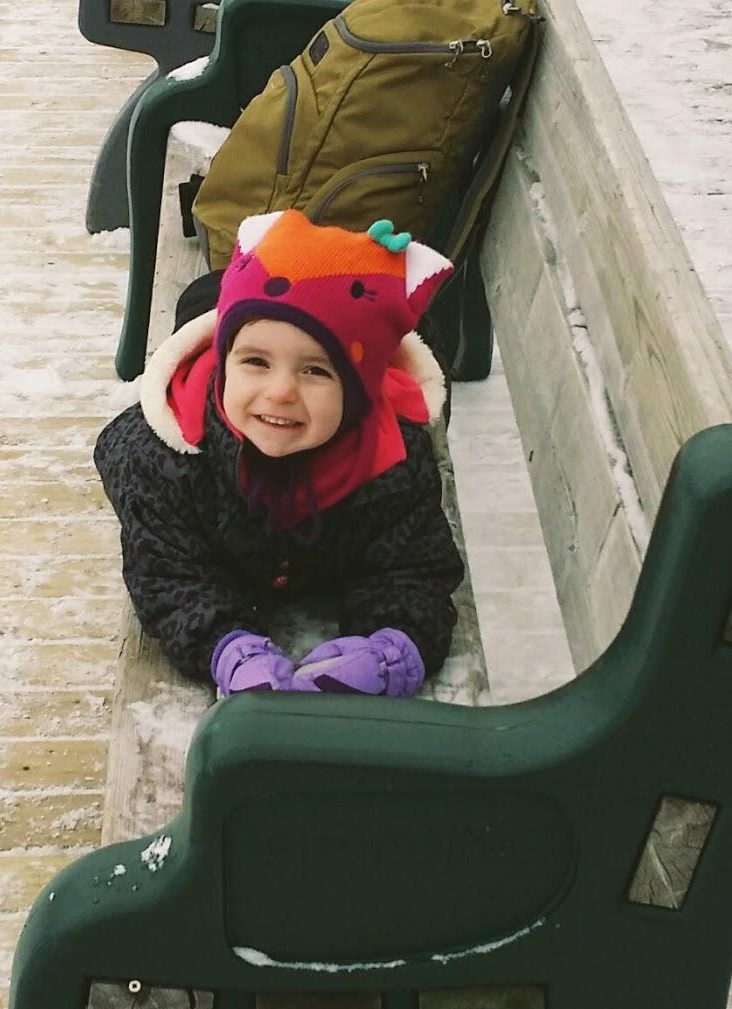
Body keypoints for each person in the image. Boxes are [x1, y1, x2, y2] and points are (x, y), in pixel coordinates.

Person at [93, 211, 465, 698]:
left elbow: (412, 568)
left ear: (357, 394)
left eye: (315, 371)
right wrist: (227, 647)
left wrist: (391, 648)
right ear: (225, 363)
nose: (281, 391)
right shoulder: (166, 459)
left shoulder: (389, 458)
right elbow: (169, 572)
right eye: (255, 362)